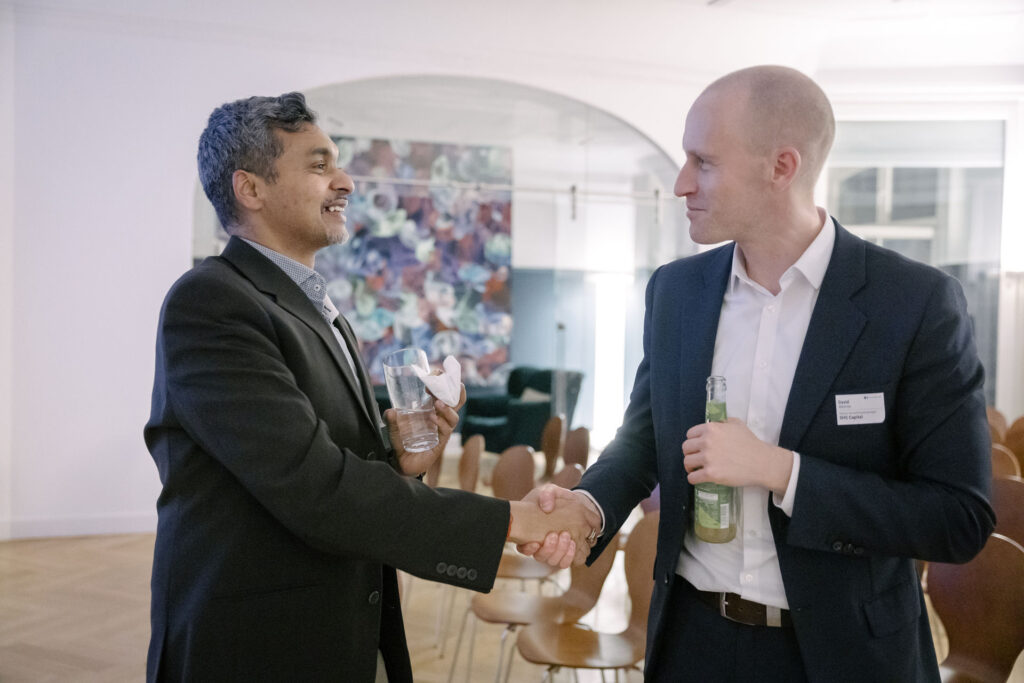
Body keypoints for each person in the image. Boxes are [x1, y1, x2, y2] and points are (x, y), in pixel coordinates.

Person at [519, 66, 995, 682]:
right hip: (691, 644)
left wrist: (780, 471)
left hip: (842, 656)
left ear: (782, 167)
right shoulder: (676, 291)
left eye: (704, 162)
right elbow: (643, 441)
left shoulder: (913, 303)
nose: (681, 183)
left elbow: (958, 518)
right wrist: (588, 506)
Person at [144, 92, 597, 683]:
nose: (346, 182)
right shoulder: (212, 303)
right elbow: (316, 488)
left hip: (339, 630)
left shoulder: (314, 307)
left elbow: (323, 459)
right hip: (258, 645)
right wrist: (515, 520)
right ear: (250, 189)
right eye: (319, 165)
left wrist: (399, 458)